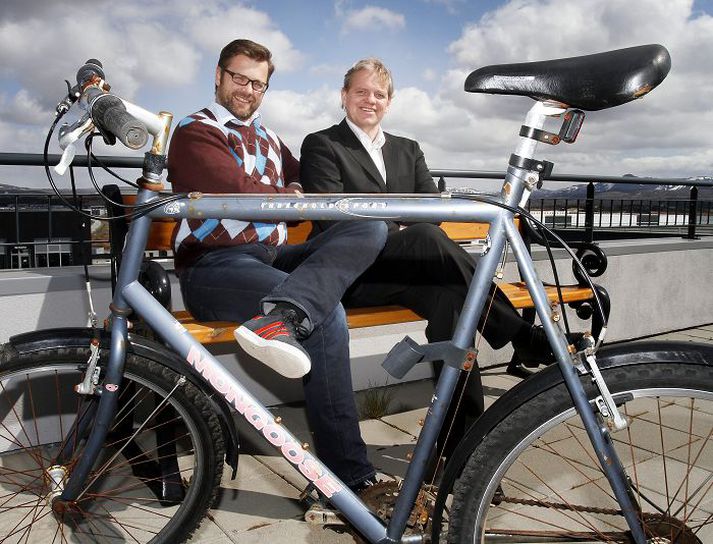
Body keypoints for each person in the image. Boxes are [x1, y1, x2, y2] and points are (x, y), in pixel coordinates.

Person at [300, 58, 557, 464]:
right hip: (351, 276)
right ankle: (522, 334)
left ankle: (460, 454)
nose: (370, 100)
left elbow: (433, 212)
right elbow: (336, 216)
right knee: (423, 237)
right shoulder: (322, 144)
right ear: (344, 96)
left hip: (408, 270)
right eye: (361, 92)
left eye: (379, 94)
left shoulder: (408, 149)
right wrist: (404, 225)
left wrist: (401, 224)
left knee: (455, 305)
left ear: (390, 102)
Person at [168, 40, 388, 492]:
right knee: (328, 317)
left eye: (258, 84)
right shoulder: (196, 130)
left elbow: (299, 179)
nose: (248, 90)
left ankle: (286, 312)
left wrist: (287, 189)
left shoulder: (268, 138)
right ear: (218, 75)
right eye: (239, 78)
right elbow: (235, 189)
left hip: (269, 259)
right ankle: (347, 473)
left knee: (369, 228)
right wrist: (281, 198)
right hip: (214, 267)